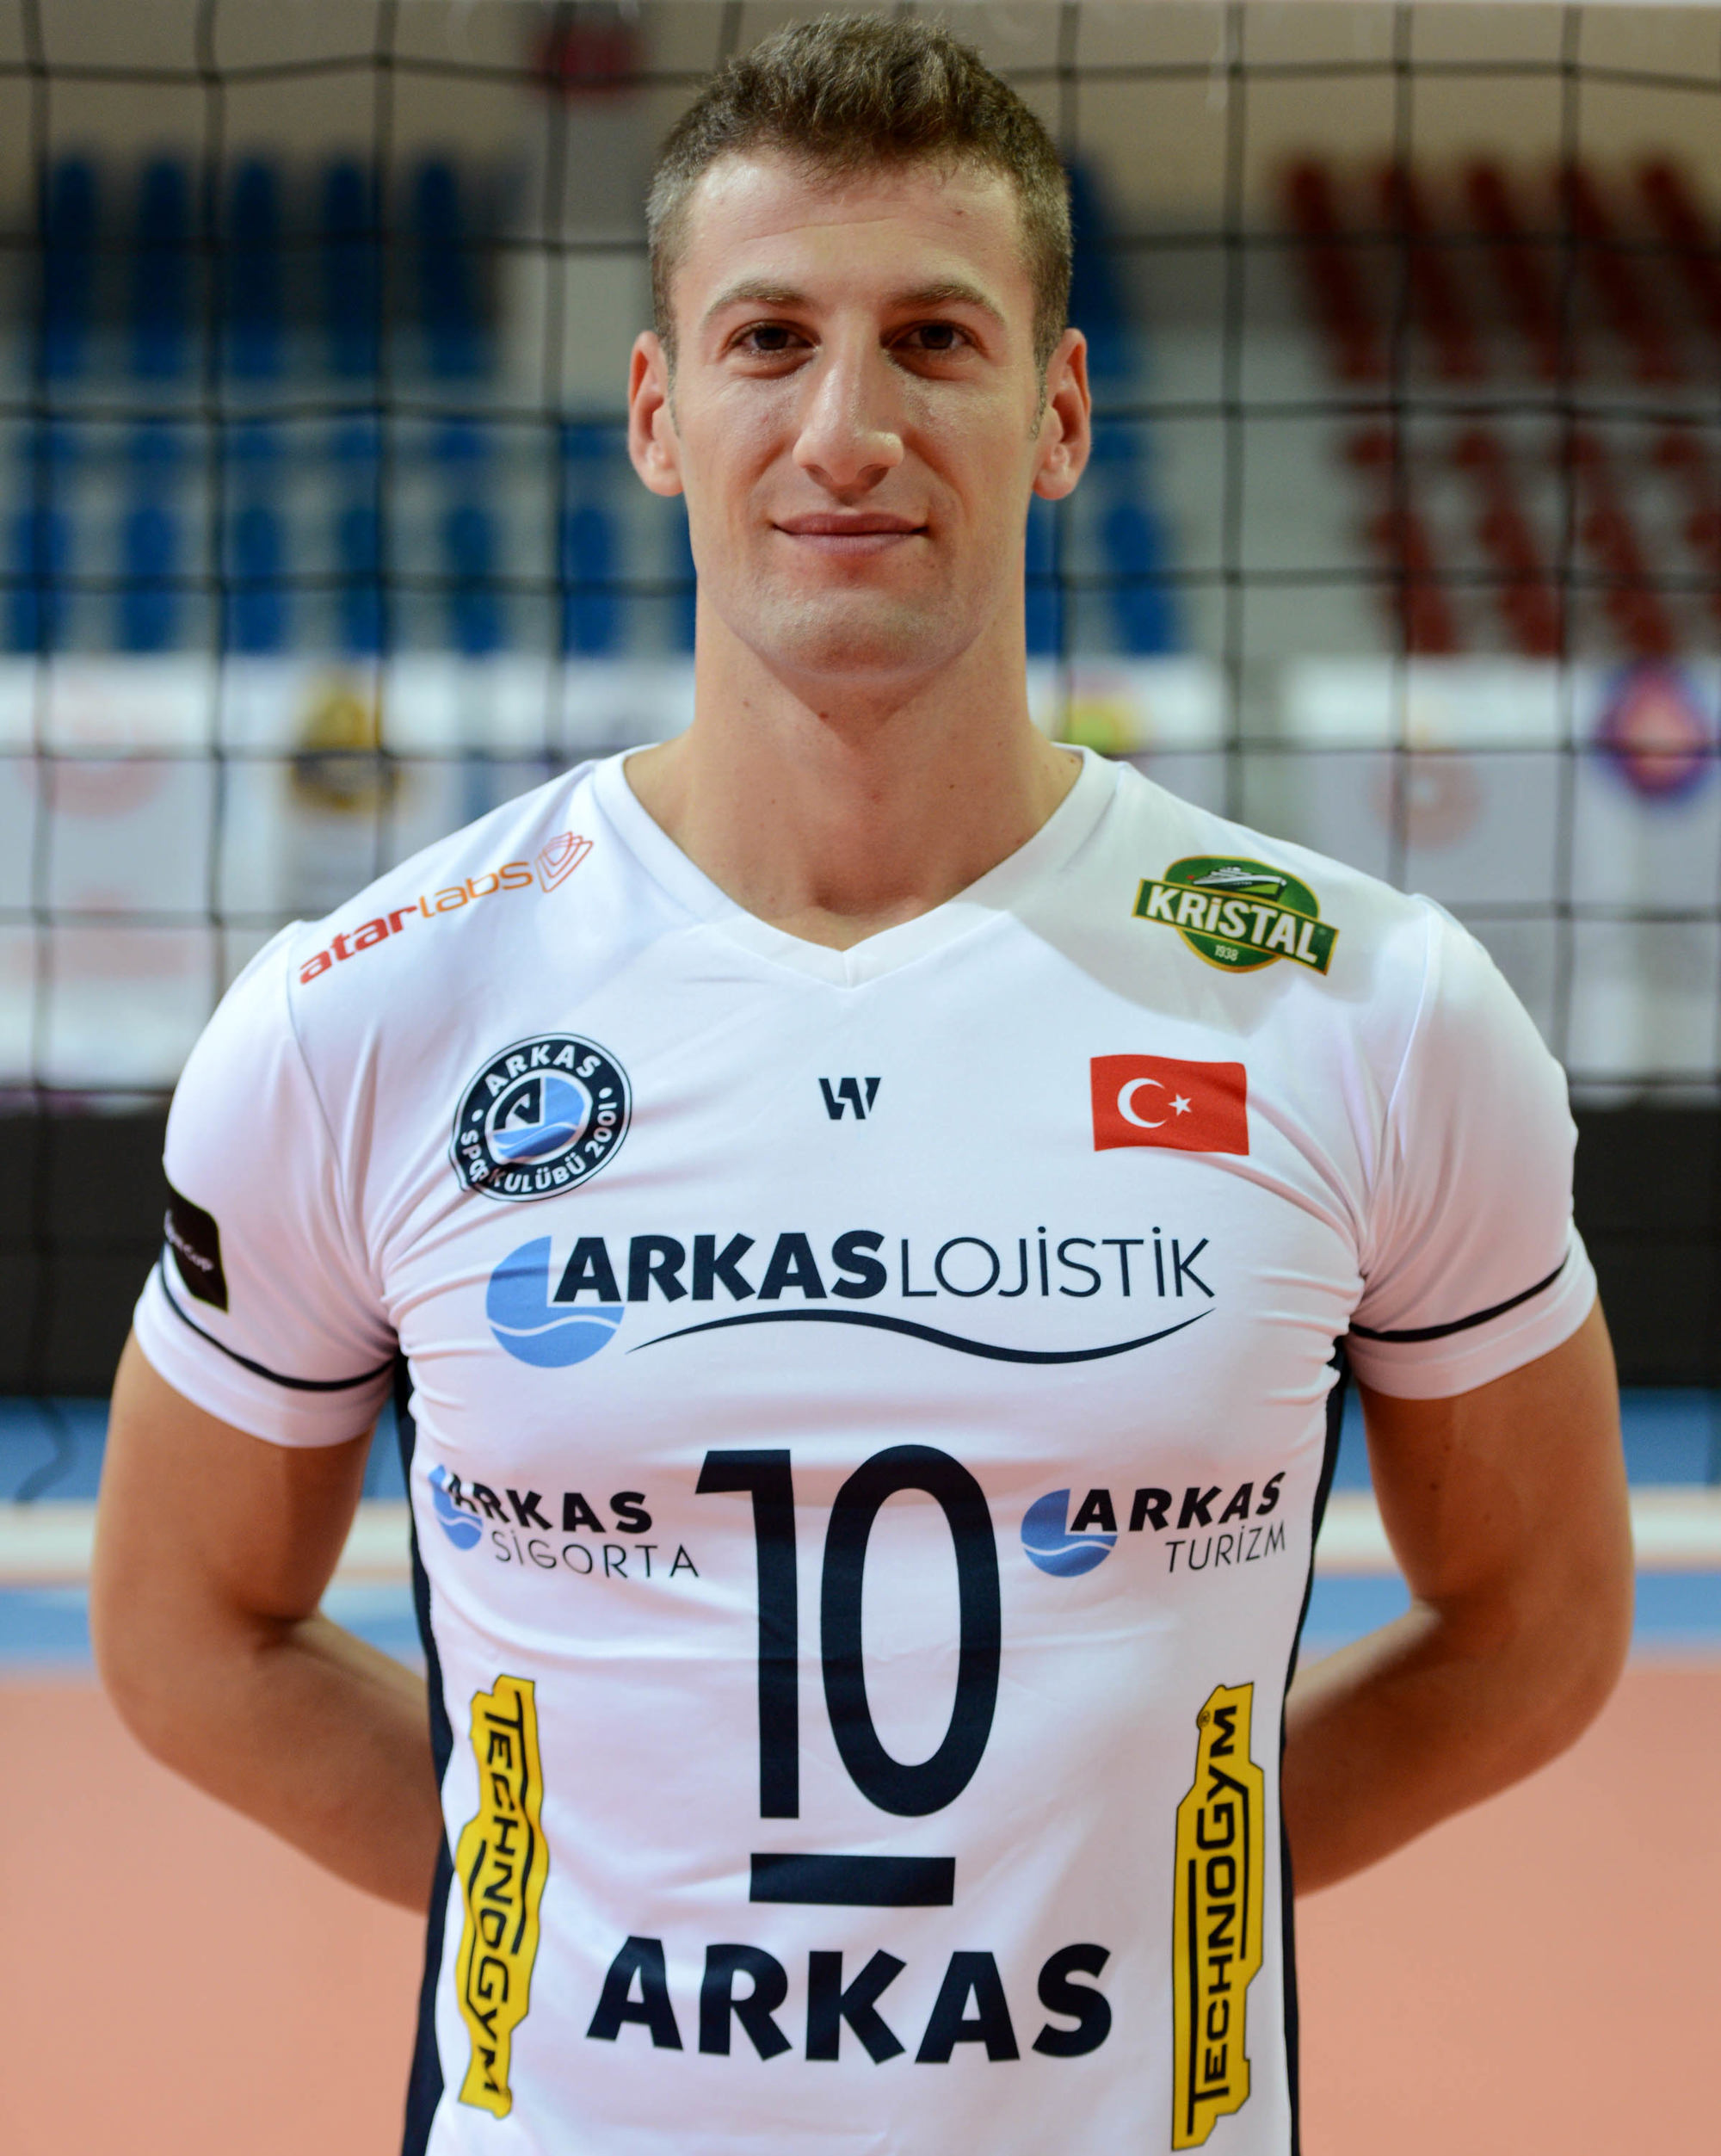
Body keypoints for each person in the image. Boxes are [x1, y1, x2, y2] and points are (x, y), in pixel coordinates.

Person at [93, 17, 1632, 2155]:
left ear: (1058, 410)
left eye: (932, 338)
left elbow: (1539, 1618)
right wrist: (558, 1900)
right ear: (657, 410)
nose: (847, 428)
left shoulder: (1368, 1007)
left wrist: (1143, 1903)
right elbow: (184, 1624)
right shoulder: (368, 1013)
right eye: (768, 340)